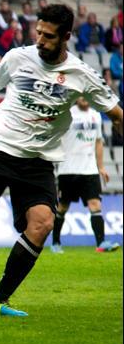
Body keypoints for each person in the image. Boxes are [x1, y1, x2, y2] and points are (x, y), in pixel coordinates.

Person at [0, 4, 123, 317]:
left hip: (37, 161)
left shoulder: (81, 75)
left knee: (43, 224)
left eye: (48, 36)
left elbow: (117, 115)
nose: (40, 39)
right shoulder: (16, 58)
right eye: (38, 32)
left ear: (66, 36)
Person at [50, 98, 120, 253]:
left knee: (95, 205)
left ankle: (101, 243)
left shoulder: (96, 115)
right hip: (68, 170)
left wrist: (101, 167)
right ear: (77, 98)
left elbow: (98, 142)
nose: (84, 100)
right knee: (62, 207)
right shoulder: (67, 114)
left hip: (90, 170)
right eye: (81, 97)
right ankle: (55, 243)